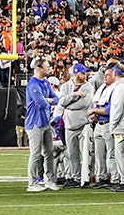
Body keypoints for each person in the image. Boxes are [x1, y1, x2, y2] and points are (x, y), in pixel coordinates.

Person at [25, 57, 60, 192]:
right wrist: (48, 100)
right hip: (35, 122)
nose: (49, 68)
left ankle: (49, 180)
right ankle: (32, 182)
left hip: (45, 121)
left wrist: (48, 100)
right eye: (47, 66)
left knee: (49, 152)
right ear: (39, 68)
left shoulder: (45, 83)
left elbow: (55, 99)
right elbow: (42, 103)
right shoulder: (33, 84)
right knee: (35, 153)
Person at [59, 63, 95, 187]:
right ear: (76, 73)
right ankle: (75, 177)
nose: (85, 75)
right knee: (71, 154)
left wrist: (69, 104)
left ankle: (86, 178)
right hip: (69, 124)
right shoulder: (65, 86)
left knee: (85, 153)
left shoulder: (88, 87)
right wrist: (75, 95)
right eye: (82, 73)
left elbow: (84, 104)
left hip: (84, 123)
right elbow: (61, 102)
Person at [87, 66, 117, 188]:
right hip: (99, 124)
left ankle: (115, 177)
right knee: (99, 154)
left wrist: (94, 111)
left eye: (108, 75)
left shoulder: (115, 89)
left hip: (108, 123)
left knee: (112, 153)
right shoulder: (102, 89)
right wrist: (93, 112)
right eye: (105, 75)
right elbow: (93, 103)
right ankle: (102, 177)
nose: (105, 77)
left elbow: (110, 109)